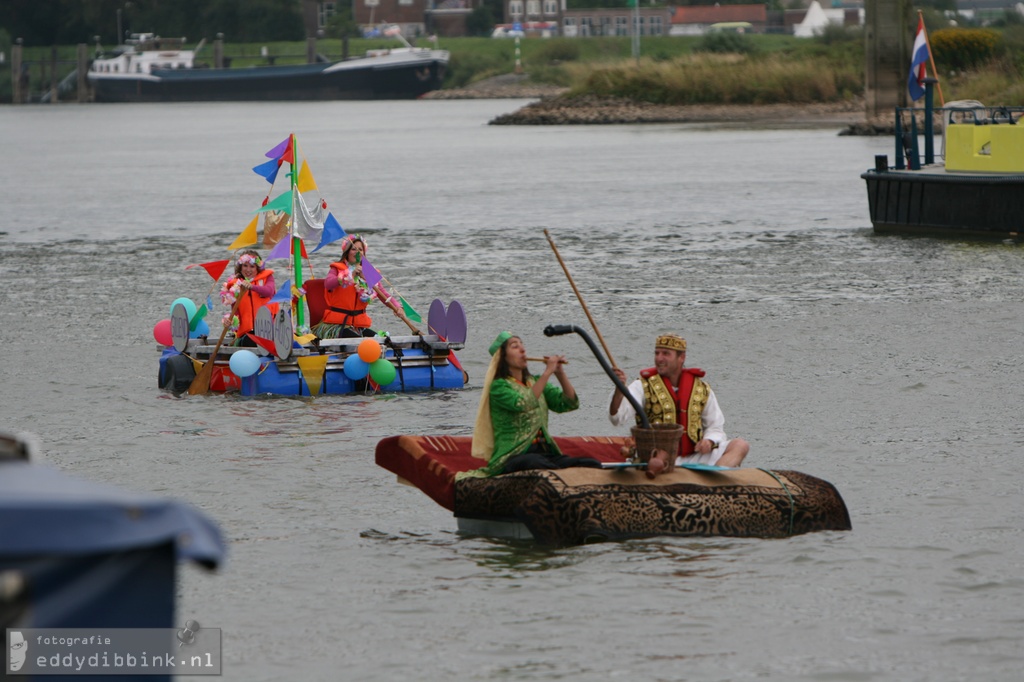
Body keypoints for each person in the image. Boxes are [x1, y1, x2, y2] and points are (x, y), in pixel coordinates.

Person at [457, 331, 603, 479]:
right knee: (536, 463)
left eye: (522, 345)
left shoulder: (535, 382)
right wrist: (547, 373)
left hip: (544, 453)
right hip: (513, 456)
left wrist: (560, 374)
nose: (522, 350)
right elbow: (524, 403)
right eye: (515, 347)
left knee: (590, 463)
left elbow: (569, 403)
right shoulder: (499, 387)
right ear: (503, 357)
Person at [609, 333, 749, 477]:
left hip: (693, 457)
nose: (659, 358)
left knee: (740, 445)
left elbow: (716, 426)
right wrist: (619, 390)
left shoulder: (701, 389)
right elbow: (617, 418)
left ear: (681, 358)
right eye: (657, 353)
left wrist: (709, 440)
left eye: (666, 354)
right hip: (655, 458)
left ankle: (714, 481)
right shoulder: (642, 385)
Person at [312, 234, 409, 339]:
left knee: (381, 340)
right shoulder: (337, 269)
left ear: (364, 253)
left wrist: (397, 307)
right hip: (336, 325)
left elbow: (383, 294)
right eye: (353, 249)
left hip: (359, 325)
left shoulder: (369, 272)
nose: (357, 252)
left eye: (360, 249)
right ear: (347, 252)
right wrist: (350, 275)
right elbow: (328, 283)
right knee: (359, 341)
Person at [221, 250, 278, 346]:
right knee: (249, 340)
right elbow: (236, 313)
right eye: (245, 266)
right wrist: (230, 321)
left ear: (257, 268)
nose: (248, 270)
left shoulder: (267, 278)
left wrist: (251, 286)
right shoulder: (235, 286)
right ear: (240, 267)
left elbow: (269, 291)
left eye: (252, 266)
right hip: (248, 333)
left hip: (269, 329)